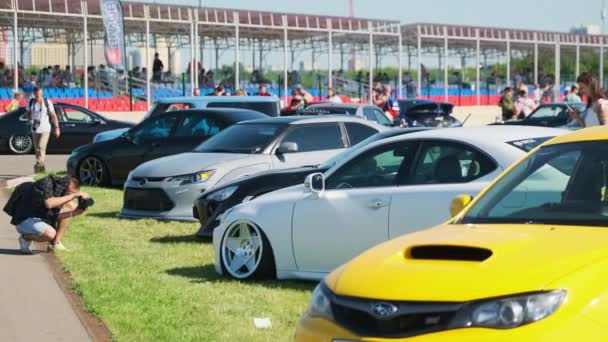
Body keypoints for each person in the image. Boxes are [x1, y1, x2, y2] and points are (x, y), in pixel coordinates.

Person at [3, 175, 89, 253]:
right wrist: (73, 196)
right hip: (24, 219)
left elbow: (54, 216)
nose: (69, 197)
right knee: (50, 234)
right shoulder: (46, 183)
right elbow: (49, 204)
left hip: (38, 219)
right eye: (68, 193)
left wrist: (74, 213)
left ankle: (55, 244)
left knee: (70, 207)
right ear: (64, 187)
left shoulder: (57, 191)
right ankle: (25, 237)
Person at [26, 87, 60, 173]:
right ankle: (40, 168)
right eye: (36, 94)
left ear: (42, 93)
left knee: (41, 146)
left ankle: (39, 164)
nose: (38, 95)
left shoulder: (47, 102)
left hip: (45, 129)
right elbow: (28, 113)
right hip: (34, 129)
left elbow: (53, 116)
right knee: (37, 149)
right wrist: (30, 119)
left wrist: (57, 128)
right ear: (34, 94)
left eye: (40, 94)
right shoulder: (31, 102)